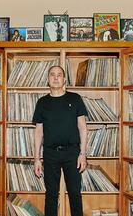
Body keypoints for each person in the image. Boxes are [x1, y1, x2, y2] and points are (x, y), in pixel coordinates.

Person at [33, 65, 88, 216]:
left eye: (59, 75)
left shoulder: (75, 99)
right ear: (48, 80)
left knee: (75, 194)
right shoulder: (42, 103)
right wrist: (37, 159)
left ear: (64, 80)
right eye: (52, 74)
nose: (56, 77)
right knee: (51, 194)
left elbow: (83, 128)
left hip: (73, 154)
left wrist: (82, 154)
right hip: (50, 154)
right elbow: (38, 132)